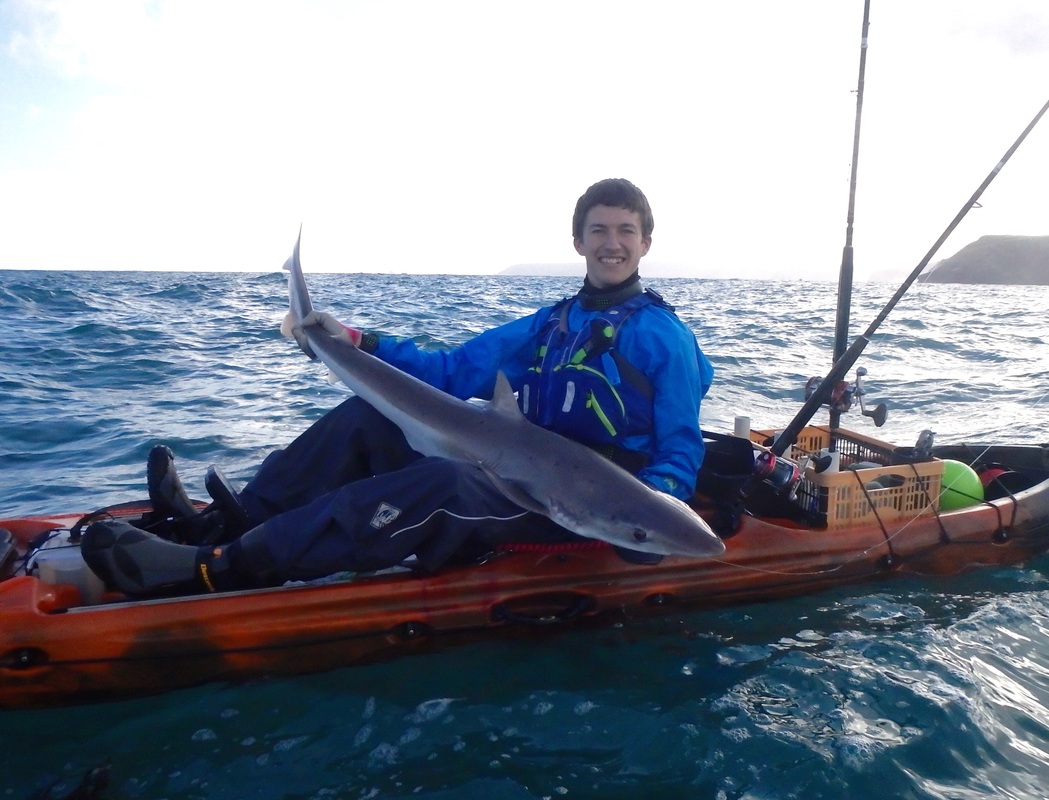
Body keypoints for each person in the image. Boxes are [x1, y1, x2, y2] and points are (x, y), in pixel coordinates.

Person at [81, 178, 714, 596]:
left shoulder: (665, 338)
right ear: (578, 241)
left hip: (582, 499)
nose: (612, 244)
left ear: (646, 243)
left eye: (625, 232)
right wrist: (355, 341)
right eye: (599, 230)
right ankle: (223, 523)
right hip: (512, 460)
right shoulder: (552, 324)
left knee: (445, 486)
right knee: (368, 419)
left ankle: (219, 570)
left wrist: (649, 518)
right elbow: (449, 371)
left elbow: (681, 445)